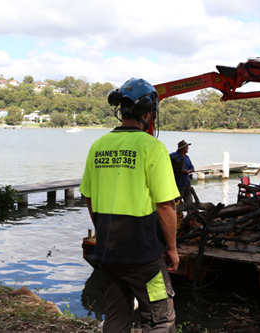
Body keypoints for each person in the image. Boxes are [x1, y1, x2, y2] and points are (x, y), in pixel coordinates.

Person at [79, 78, 180, 332]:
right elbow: (166, 206)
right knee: (160, 319)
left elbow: (90, 198)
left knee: (115, 316)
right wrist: (172, 248)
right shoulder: (152, 147)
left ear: (120, 110)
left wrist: (105, 231)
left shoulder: (97, 146)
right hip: (145, 256)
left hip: (108, 252)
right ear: (148, 112)